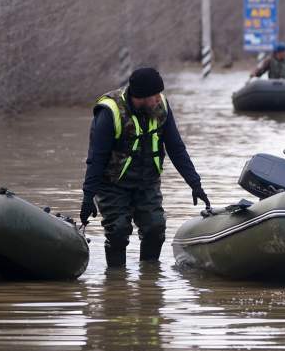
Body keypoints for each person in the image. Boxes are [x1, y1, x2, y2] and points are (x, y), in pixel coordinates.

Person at [81, 67, 210, 267]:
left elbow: (176, 148)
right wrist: (88, 197)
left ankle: (149, 280)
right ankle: (116, 282)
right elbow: (96, 158)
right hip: (112, 184)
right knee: (118, 232)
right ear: (140, 97)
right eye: (155, 96)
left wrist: (195, 183)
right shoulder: (110, 112)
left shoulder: (161, 108)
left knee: (155, 229)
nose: (159, 99)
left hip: (147, 182)